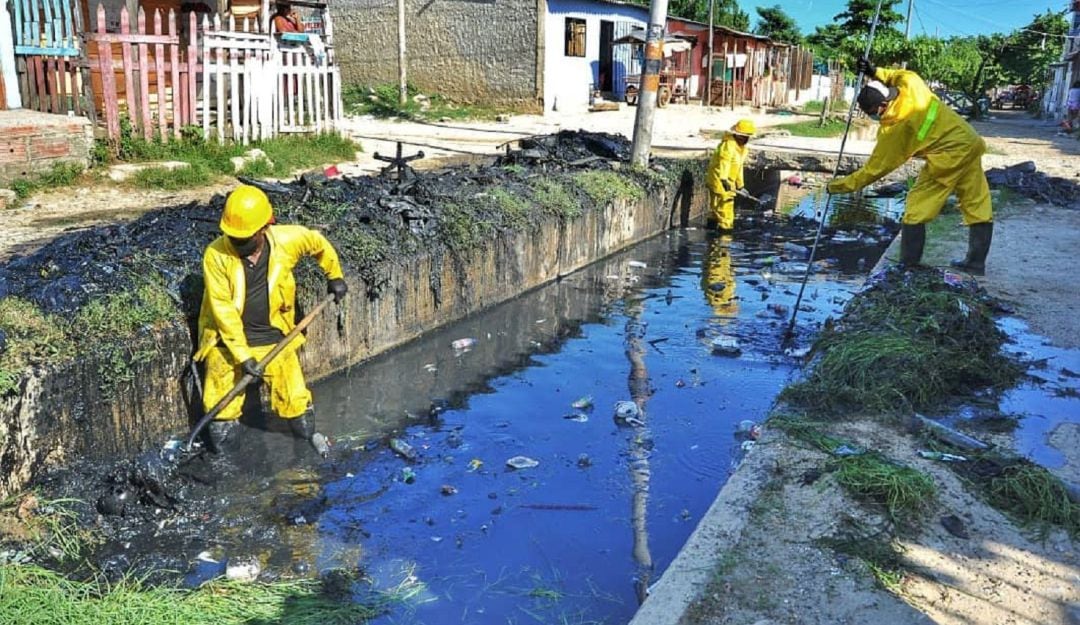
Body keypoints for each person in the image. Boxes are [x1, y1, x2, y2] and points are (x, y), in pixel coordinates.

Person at [195, 185, 347, 456]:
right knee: (221, 407)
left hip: (274, 337)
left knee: (295, 398)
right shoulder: (216, 255)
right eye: (233, 237)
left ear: (264, 228)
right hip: (225, 342)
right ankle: (227, 459)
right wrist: (243, 356)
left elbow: (318, 243)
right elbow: (223, 310)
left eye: (244, 238)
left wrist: (334, 275)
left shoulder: (287, 240)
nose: (236, 243)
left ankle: (305, 447)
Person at [827, 59, 993, 275]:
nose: (874, 117)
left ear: (883, 106)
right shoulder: (911, 83)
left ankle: (908, 267)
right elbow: (895, 75)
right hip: (969, 141)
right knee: (976, 202)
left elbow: (872, 171)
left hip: (948, 157)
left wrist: (836, 186)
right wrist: (874, 71)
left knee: (915, 210)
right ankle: (975, 263)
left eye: (872, 112)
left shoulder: (896, 129)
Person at [706, 119, 755, 231]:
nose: (746, 139)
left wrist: (740, 185)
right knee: (725, 211)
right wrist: (723, 180)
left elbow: (738, 167)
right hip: (719, 181)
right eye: (745, 136)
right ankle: (725, 235)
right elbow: (725, 162)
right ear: (738, 135)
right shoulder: (728, 145)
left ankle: (711, 232)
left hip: (728, 182)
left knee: (717, 209)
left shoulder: (742, 149)